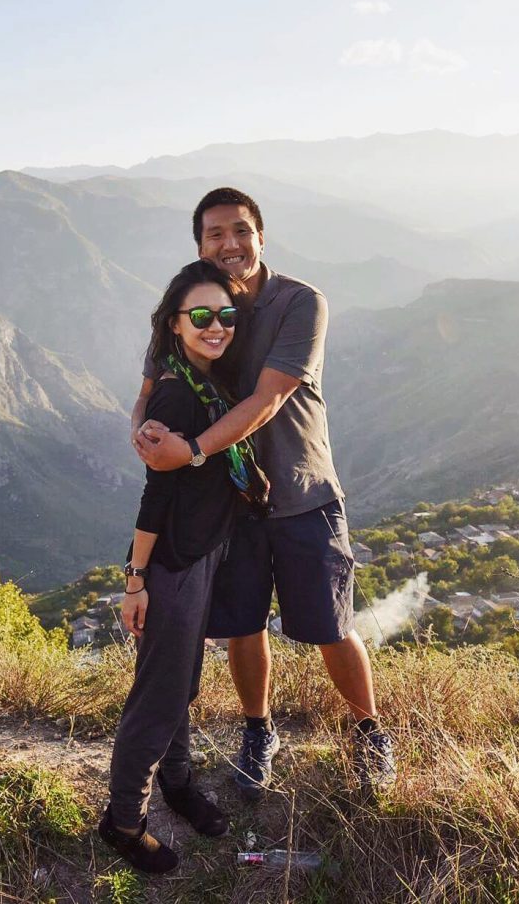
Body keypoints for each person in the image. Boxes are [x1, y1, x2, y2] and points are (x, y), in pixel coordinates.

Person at [132, 187, 396, 801]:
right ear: (200, 245)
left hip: (304, 493)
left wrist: (193, 450)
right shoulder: (196, 305)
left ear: (261, 236)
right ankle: (259, 731)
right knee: (242, 625)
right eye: (215, 234)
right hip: (235, 503)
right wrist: (143, 430)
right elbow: (149, 383)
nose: (230, 244)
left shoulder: (299, 303)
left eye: (241, 231)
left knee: (331, 625)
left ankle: (368, 731)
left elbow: (268, 399)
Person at [99, 259, 268, 874]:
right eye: (201, 316)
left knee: (181, 685)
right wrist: (136, 581)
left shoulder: (207, 381)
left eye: (225, 315)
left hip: (202, 556)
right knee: (160, 697)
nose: (215, 326)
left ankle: (176, 782)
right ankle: (123, 821)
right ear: (175, 324)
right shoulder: (176, 392)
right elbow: (156, 494)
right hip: (172, 565)